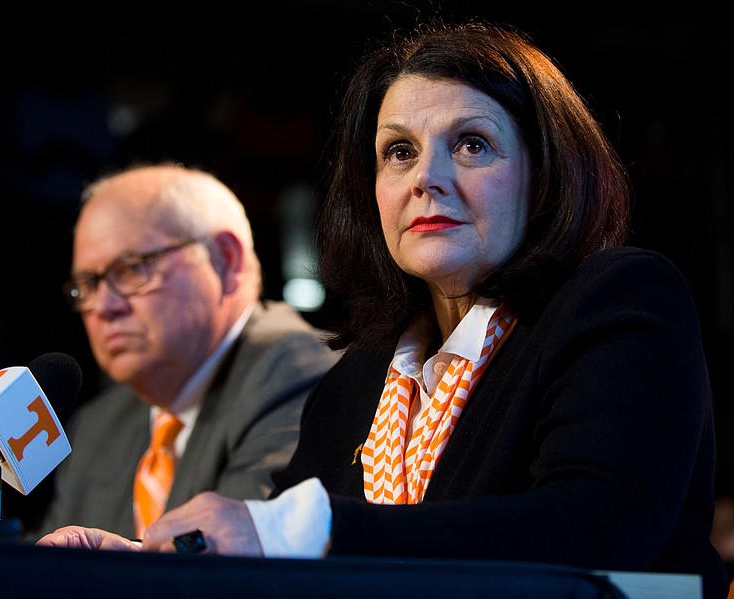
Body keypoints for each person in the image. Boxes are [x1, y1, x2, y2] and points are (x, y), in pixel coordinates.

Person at [36, 20, 729, 598]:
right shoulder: (354, 382)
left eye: (471, 144)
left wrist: (299, 528)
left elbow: (596, 526)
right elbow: (270, 566)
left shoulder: (619, 300)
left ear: (544, 173)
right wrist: (137, 562)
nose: (426, 177)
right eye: (399, 151)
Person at [32, 162, 340, 540]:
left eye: (130, 269)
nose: (103, 306)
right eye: (88, 283)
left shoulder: (295, 372)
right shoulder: (99, 425)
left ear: (225, 260)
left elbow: (224, 573)